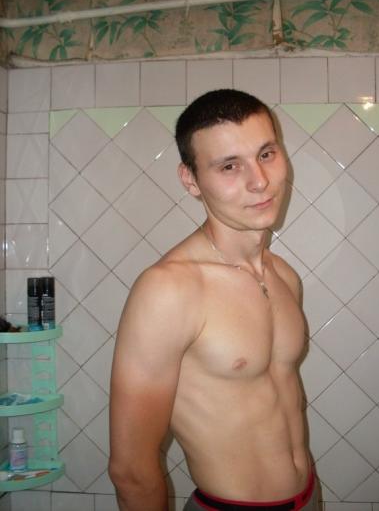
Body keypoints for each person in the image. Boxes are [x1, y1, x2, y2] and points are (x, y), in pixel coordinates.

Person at [108, 89, 318, 511]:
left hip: (310, 497)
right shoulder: (169, 290)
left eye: (266, 154)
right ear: (191, 180)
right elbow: (131, 468)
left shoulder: (284, 277)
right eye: (229, 166)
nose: (259, 181)